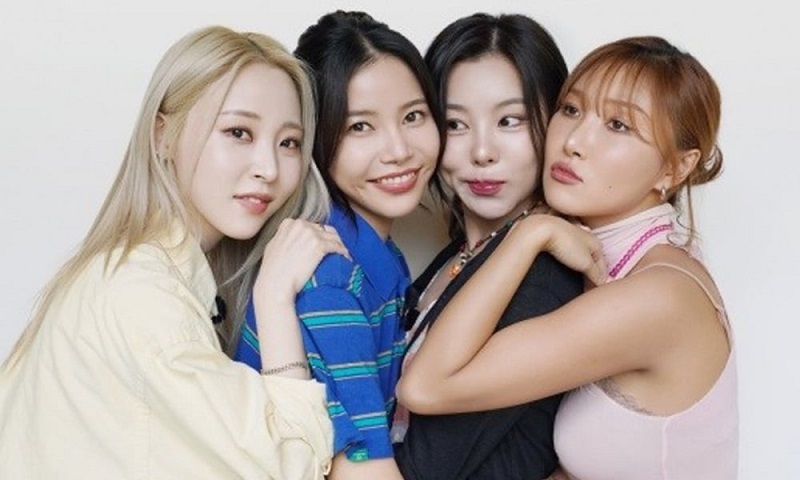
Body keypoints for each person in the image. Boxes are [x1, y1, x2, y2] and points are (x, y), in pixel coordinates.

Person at [0, 25, 350, 479]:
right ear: (163, 136)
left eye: (289, 143)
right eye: (238, 132)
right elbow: (289, 468)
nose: (268, 168)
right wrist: (275, 296)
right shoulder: (143, 298)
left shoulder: (138, 273)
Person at [397, 35, 738, 479]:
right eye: (572, 110)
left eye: (618, 125)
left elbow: (425, 387)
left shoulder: (659, 296)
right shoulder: (616, 267)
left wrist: (529, 233)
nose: (574, 141)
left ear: (676, 167)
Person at [231, 11, 441, 480]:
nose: (399, 150)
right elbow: (362, 471)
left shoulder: (376, 254)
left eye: (413, 116)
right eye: (360, 127)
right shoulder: (330, 276)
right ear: (317, 140)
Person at [390, 13, 583, 480]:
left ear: (553, 125)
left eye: (509, 121)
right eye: (455, 124)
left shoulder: (541, 276)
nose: (481, 152)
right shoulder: (460, 255)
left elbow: (422, 469)